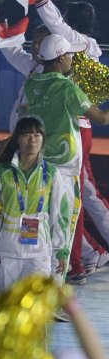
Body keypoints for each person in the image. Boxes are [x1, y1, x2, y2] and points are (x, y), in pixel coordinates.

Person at [22, 34, 109, 278]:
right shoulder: (67, 87)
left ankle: (30, 275)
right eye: (70, 55)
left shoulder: (33, 83)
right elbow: (101, 119)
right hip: (65, 168)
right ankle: (53, 287)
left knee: (36, 220)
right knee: (62, 228)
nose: (72, 59)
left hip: (39, 163)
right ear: (60, 58)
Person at [0, 116, 70, 292]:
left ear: (43, 139)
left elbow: (61, 214)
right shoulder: (2, 172)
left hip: (39, 253)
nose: (32, 140)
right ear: (17, 139)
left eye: (37, 135)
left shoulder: (51, 173)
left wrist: (61, 249)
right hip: (7, 252)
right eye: (26, 135)